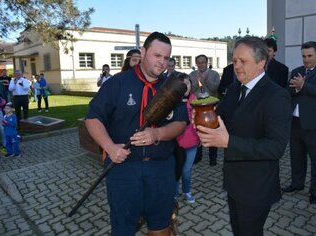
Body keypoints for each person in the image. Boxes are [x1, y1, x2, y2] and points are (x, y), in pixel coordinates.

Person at [85, 31, 188, 236]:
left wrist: (157, 133)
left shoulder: (172, 87)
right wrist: (109, 146)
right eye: (157, 56)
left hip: (161, 168)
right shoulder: (117, 83)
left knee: (160, 225)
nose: (162, 62)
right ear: (143, 52)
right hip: (123, 168)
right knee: (123, 227)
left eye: (166, 58)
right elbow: (93, 118)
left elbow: (180, 123)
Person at [196, 37, 291, 236]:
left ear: (261, 63)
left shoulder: (276, 96)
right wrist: (201, 113)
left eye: (243, 61)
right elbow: (221, 118)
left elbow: (276, 147)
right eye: (234, 60)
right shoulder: (234, 89)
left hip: (257, 186)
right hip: (233, 181)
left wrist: (228, 141)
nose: (236, 66)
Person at [282, 41, 316, 204]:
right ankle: (297, 183)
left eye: (309, 56)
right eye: (303, 56)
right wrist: (298, 88)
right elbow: (289, 90)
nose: (306, 59)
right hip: (296, 122)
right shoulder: (297, 71)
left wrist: (303, 85)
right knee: (296, 156)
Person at [189, 54, 220, 166]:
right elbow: (191, 90)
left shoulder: (214, 74)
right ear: (196, 63)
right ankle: (198, 156)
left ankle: (213, 157)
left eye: (203, 62)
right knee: (197, 131)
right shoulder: (192, 75)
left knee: (213, 131)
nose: (201, 64)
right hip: (197, 107)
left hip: (211, 107)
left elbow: (215, 88)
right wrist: (198, 81)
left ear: (207, 63)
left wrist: (206, 80)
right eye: (199, 62)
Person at [175, 73, 199, 204]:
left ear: (191, 85)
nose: (185, 87)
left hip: (191, 142)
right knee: (175, 169)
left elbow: (199, 121)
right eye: (182, 84)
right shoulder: (171, 101)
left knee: (186, 170)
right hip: (175, 143)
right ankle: (174, 194)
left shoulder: (195, 100)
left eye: (187, 83)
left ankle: (186, 191)